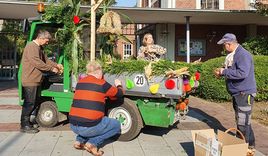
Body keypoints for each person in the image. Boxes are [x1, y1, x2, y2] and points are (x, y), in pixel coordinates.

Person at [69, 61, 124, 156]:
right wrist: (118, 85)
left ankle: (79, 141)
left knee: (85, 118)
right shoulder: (101, 83)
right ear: (98, 72)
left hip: (73, 125)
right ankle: (93, 143)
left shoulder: (80, 83)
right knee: (116, 125)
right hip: (88, 127)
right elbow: (119, 93)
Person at [215, 33, 257, 154]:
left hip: (244, 93)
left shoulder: (243, 55)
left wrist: (224, 72)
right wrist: (223, 71)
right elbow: (235, 71)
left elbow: (242, 73)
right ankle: (250, 147)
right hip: (239, 93)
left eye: (224, 45)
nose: (224, 47)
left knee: (242, 123)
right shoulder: (235, 54)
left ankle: (241, 150)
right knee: (244, 122)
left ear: (229, 44)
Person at [20, 30, 63, 133]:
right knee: (29, 103)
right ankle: (24, 124)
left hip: (36, 80)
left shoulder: (39, 47)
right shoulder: (31, 46)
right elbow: (37, 62)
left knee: (34, 102)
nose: (47, 43)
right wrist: (51, 69)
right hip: (30, 80)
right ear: (41, 38)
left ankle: (28, 122)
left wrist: (56, 65)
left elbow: (46, 60)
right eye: (46, 41)